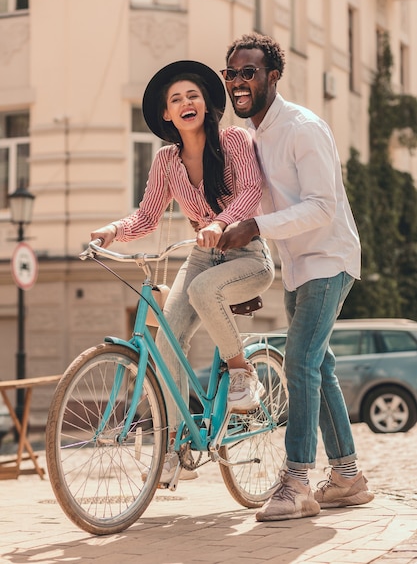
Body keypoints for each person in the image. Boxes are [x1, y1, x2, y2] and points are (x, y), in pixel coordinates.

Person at [90, 59, 275, 485]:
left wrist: (219, 224)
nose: (186, 102)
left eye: (193, 95)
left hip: (247, 255)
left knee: (205, 290)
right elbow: (147, 216)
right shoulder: (166, 161)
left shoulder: (233, 140)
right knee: (167, 339)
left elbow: (250, 190)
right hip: (200, 258)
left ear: (208, 104)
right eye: (176, 100)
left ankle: (241, 372)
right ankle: (175, 446)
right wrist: (112, 231)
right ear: (166, 115)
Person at [217, 33, 374, 521]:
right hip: (296, 266)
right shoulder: (253, 137)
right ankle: (347, 477)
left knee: (301, 361)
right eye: (232, 74)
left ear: (273, 76)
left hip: (329, 259)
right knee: (319, 366)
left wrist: (255, 227)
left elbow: (322, 207)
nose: (239, 83)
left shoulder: (303, 127)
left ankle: (298, 481)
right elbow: (253, 205)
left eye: (249, 72)